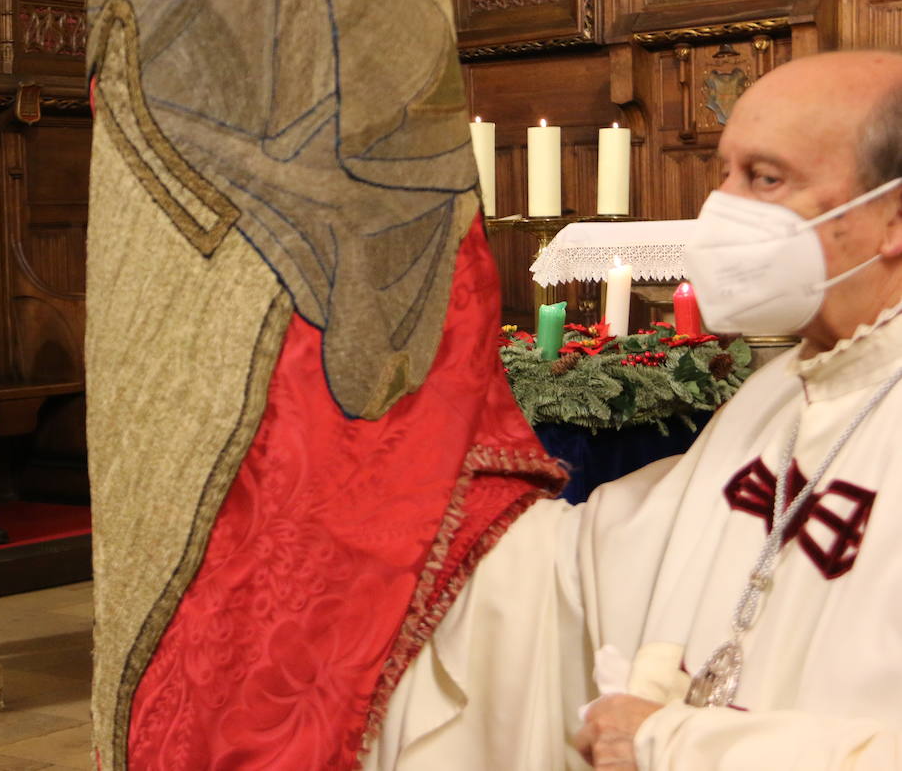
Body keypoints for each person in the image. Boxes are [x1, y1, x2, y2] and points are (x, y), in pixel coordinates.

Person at [366, 49, 902, 770]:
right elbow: (588, 571)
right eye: (723, 174)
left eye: (765, 179)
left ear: (893, 218)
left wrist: (679, 746)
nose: (722, 212)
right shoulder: (780, 391)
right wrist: (415, 500)